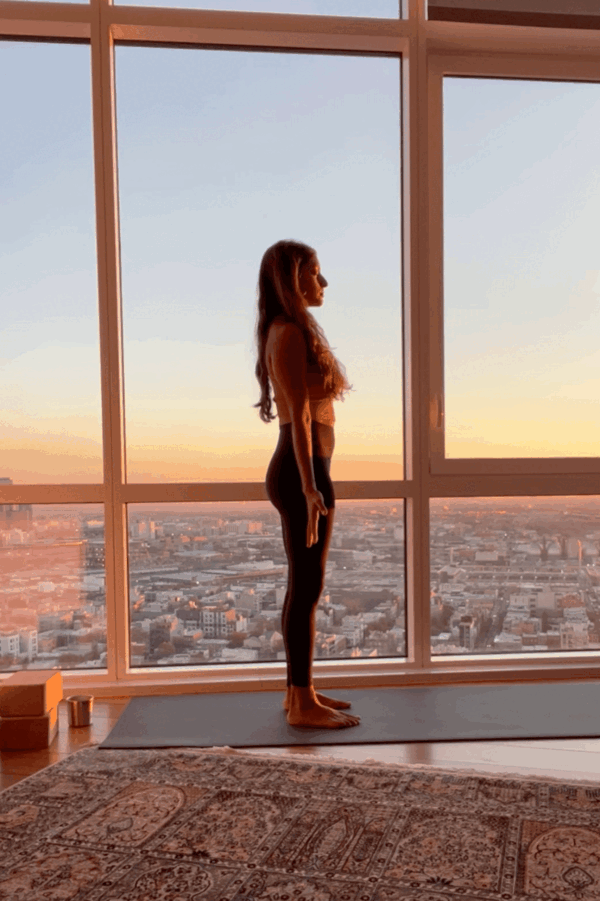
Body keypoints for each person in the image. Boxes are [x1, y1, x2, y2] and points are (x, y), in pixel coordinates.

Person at [255, 239, 360, 729]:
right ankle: (301, 704)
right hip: (304, 473)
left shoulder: (289, 330)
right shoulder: (289, 333)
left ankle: (301, 692)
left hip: (306, 471)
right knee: (308, 586)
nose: (323, 282)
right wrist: (310, 485)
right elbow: (297, 414)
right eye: (316, 273)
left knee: (303, 584)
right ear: (294, 280)